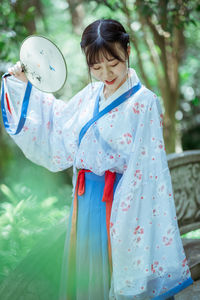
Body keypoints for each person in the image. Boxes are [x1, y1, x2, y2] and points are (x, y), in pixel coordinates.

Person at [1, 19, 193, 300]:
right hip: (84, 202)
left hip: (119, 208)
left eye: (112, 63)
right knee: (86, 283)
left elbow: (145, 172)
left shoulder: (144, 102)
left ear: (127, 50)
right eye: (96, 67)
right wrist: (24, 86)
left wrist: (125, 227)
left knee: (111, 278)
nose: (106, 73)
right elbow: (60, 121)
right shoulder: (92, 94)